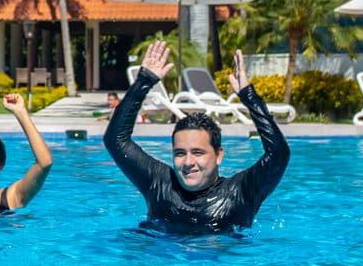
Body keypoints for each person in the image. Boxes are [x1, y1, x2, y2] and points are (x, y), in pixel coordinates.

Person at [105, 40, 289, 234]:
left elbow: (278, 154)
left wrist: (248, 96)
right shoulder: (159, 183)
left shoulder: (240, 192)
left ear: (219, 155)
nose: (188, 162)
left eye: (198, 152)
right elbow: (115, 140)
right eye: (180, 153)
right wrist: (144, 81)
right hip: (160, 261)